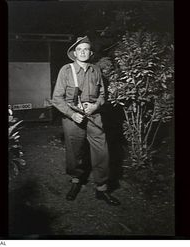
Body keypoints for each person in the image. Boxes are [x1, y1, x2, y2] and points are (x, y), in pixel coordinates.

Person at [52, 36, 120, 206]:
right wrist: (71, 114)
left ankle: (102, 188)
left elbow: (103, 95)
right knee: (75, 153)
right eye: (79, 49)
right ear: (75, 53)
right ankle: (76, 181)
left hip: (94, 117)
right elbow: (57, 98)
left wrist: (95, 106)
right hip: (73, 118)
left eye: (86, 49)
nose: (82, 52)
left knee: (102, 152)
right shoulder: (66, 70)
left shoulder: (96, 70)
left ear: (90, 53)